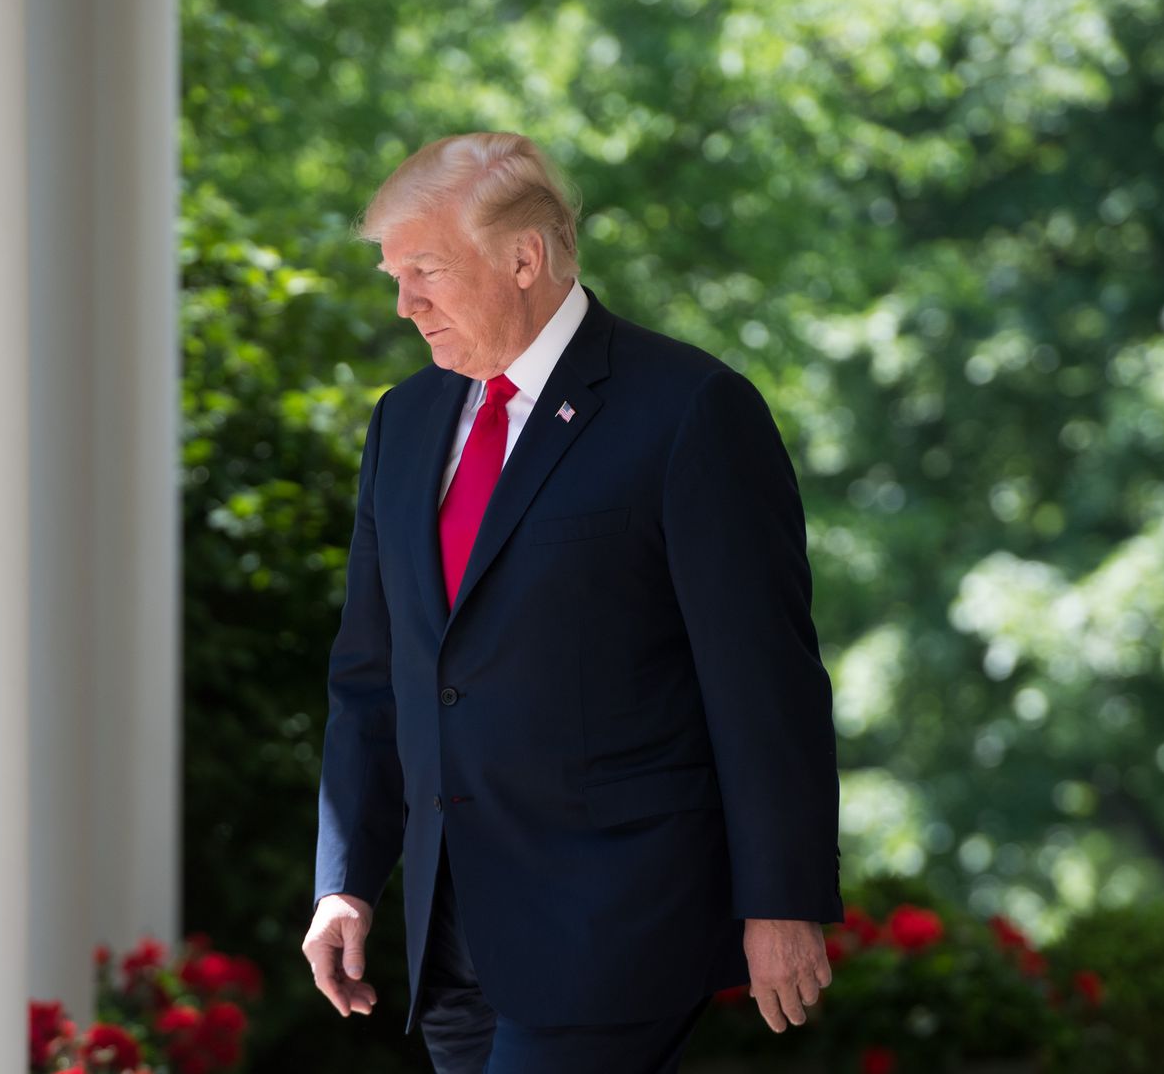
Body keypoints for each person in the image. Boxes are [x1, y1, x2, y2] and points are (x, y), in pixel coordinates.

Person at [301, 132, 844, 1073]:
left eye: (425, 270)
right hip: (450, 934)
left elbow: (763, 683)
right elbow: (372, 677)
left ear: (524, 257)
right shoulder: (405, 420)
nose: (404, 303)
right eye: (394, 276)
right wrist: (344, 882)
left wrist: (781, 901)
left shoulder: (690, 410)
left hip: (613, 920)